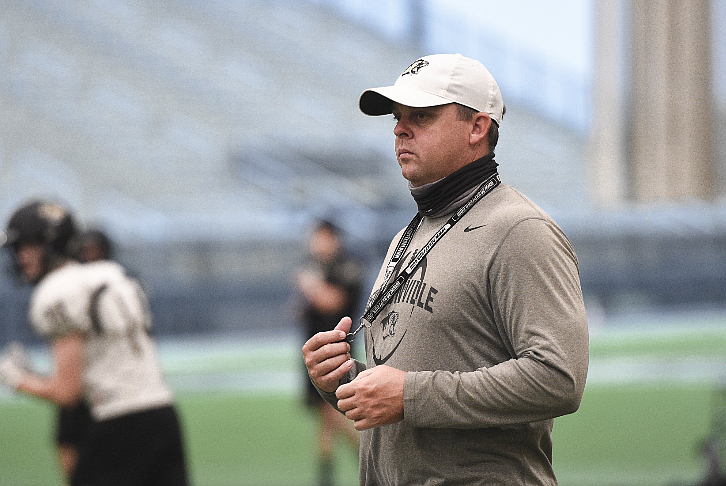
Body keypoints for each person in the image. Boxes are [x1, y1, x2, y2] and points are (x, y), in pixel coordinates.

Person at [301, 53, 589, 485]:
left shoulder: (520, 229)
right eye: (398, 117)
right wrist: (343, 380)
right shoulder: (409, 234)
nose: (400, 128)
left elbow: (558, 377)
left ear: (478, 127)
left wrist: (409, 395)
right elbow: (401, 387)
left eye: (422, 115)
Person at [0, 200, 188, 486]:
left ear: (50, 244)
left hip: (119, 423)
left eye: (26, 246)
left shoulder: (56, 291)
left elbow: (67, 393)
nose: (19, 257)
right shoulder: (111, 272)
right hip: (163, 414)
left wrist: (14, 377)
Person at [296, 219, 363, 486]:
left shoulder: (347, 266)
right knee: (324, 414)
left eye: (321, 237)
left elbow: (334, 301)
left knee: (331, 410)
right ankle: (326, 474)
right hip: (314, 350)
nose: (316, 243)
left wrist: (310, 286)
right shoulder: (315, 266)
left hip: (337, 351)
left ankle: (365, 456)